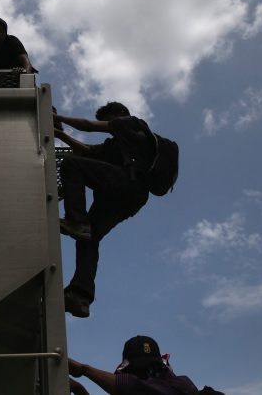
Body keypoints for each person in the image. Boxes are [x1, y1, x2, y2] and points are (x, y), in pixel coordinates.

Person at [54, 102, 158, 318]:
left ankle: (76, 220)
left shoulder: (131, 123)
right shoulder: (114, 147)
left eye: (109, 119)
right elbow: (88, 150)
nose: (108, 124)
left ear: (119, 114)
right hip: (128, 198)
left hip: (128, 185)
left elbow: (88, 126)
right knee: (88, 238)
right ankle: (80, 296)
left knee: (72, 165)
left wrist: (59, 118)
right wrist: (59, 135)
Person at [67, 335, 199, 395]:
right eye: (138, 370)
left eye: (153, 369)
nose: (148, 375)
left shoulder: (183, 385)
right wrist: (79, 389)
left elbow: (138, 388)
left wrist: (85, 370)